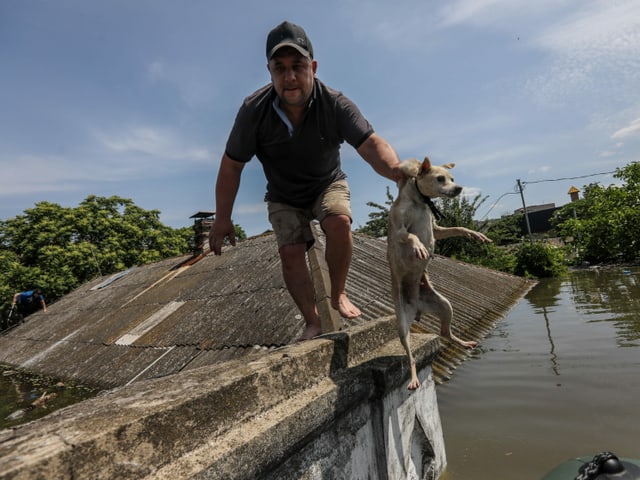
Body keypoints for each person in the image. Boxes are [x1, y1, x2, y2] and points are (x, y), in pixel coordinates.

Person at [209, 21, 403, 341]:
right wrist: (222, 219)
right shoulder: (253, 110)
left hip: (326, 182)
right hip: (284, 194)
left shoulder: (335, 103)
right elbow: (231, 166)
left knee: (340, 221)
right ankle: (312, 319)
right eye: (280, 68)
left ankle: (338, 293)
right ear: (269, 71)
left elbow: (370, 143)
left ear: (312, 67)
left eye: (298, 67)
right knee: (291, 250)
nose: (290, 78)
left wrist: (395, 169)